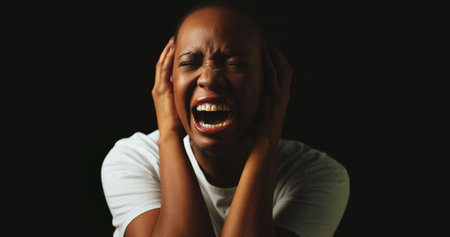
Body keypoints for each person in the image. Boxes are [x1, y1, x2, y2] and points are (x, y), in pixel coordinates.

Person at [102, 2, 350, 237]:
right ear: (168, 82)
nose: (209, 79)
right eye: (189, 62)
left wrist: (266, 142)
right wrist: (169, 135)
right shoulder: (131, 160)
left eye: (234, 63)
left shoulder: (317, 176)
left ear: (269, 81)